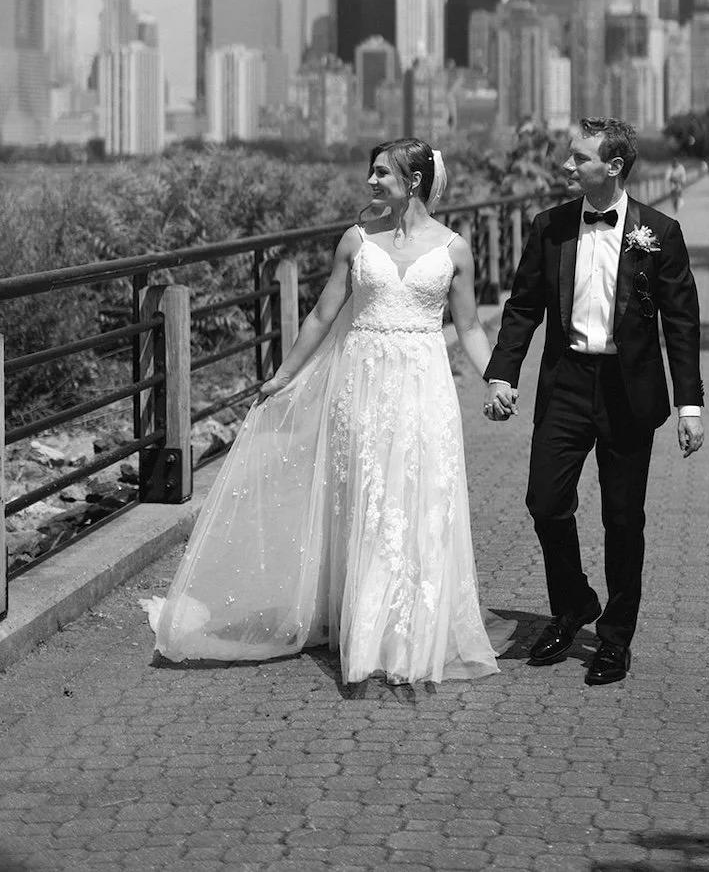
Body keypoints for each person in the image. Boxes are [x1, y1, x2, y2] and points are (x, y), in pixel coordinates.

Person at [147, 138, 512, 685]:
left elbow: (470, 329)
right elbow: (321, 315)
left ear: (413, 181)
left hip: (423, 387)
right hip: (361, 384)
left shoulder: (455, 249)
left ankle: (412, 629)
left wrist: (496, 378)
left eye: (382, 173)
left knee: (420, 497)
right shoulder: (356, 241)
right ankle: (362, 626)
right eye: (371, 172)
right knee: (368, 498)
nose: (370, 181)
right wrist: (284, 375)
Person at [482, 117, 704, 687]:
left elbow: (681, 323)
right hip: (567, 383)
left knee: (623, 519)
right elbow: (523, 306)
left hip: (630, 392)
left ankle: (615, 639)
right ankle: (575, 601)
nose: (565, 166)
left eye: (578, 158)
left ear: (614, 166)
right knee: (544, 499)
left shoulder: (659, 231)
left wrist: (690, 405)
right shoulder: (549, 226)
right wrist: (502, 374)